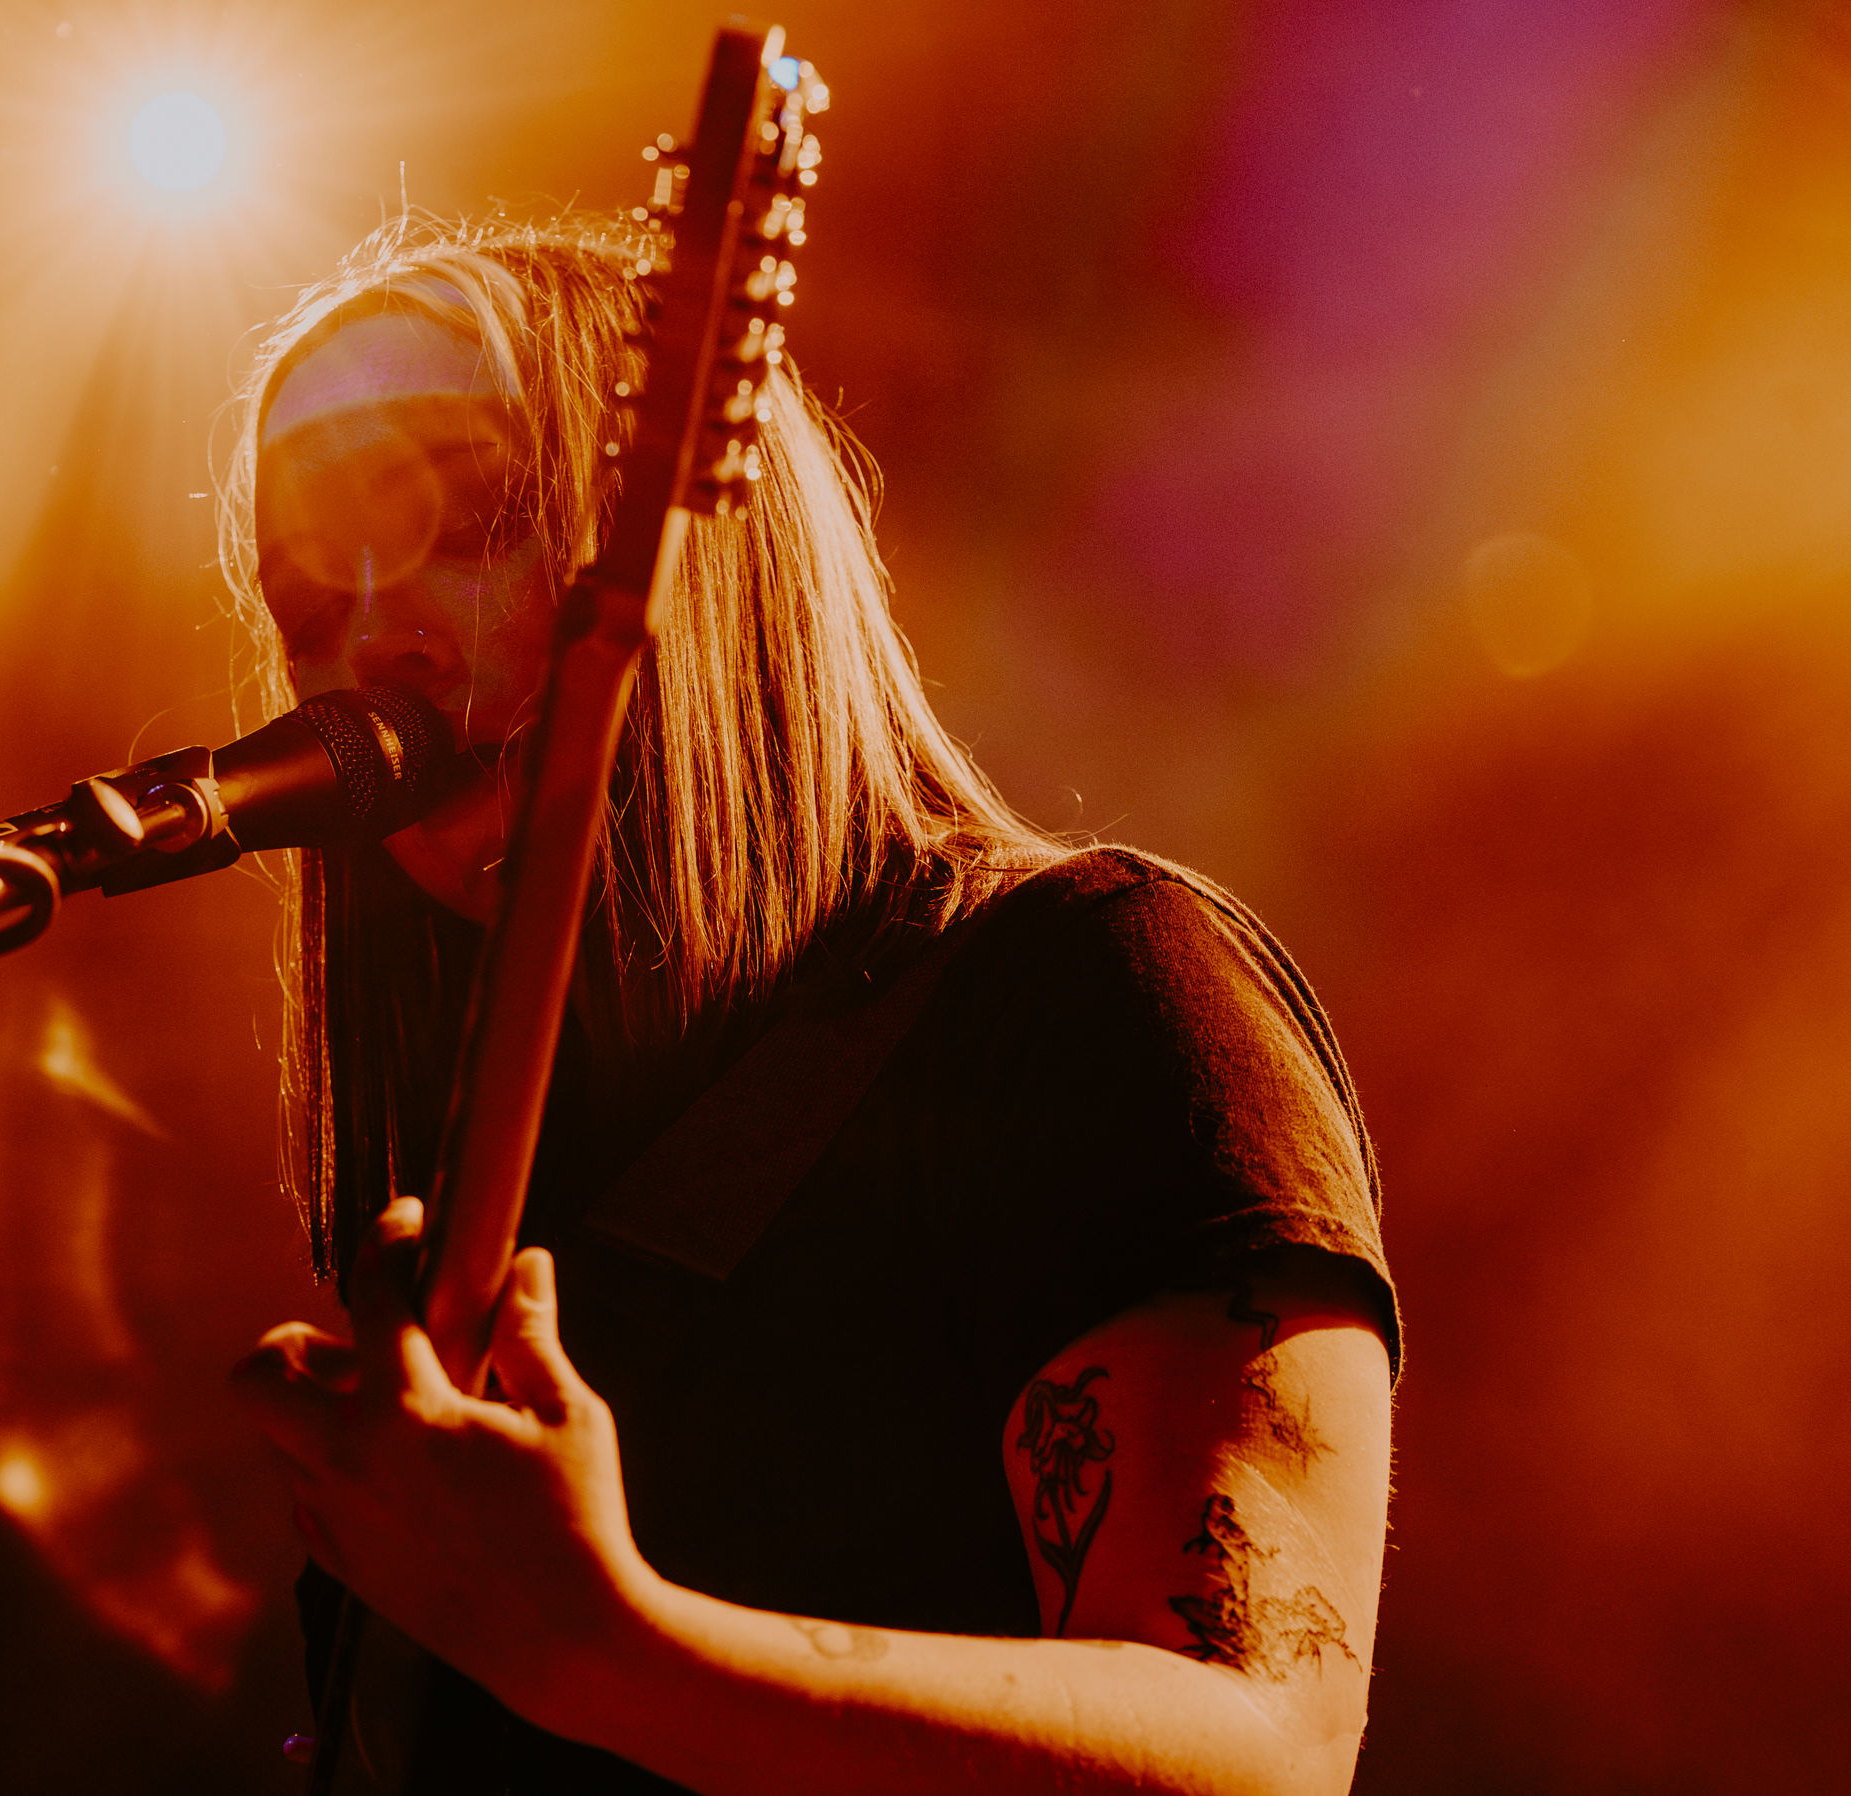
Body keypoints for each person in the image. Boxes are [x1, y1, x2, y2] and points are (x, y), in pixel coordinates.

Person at [226, 214, 1398, 1796]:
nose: (375, 640)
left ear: (704, 550)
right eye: (309, 609)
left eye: (472, 517)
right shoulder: (496, 1226)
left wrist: (616, 1654)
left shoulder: (1083, 987)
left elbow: (1260, 1749)